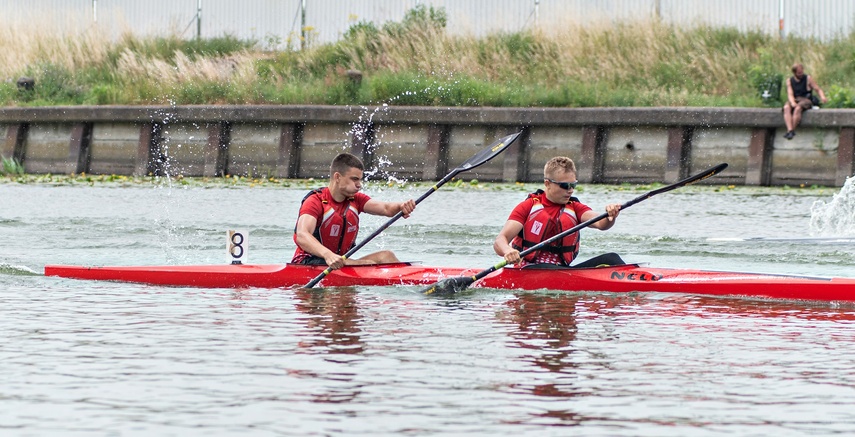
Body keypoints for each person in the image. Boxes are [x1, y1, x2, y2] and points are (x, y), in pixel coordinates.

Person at [292, 152, 416, 269]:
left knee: (386, 256)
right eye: (354, 179)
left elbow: (386, 209)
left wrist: (401, 206)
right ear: (337, 177)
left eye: (360, 180)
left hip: (339, 262)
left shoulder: (356, 200)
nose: (359, 184)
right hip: (308, 263)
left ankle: (415, 280)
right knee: (368, 264)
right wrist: (328, 255)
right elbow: (302, 235)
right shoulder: (316, 201)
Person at [494, 156, 622, 268]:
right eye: (565, 186)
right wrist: (508, 251)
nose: (571, 190)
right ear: (547, 183)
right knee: (545, 267)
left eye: (573, 185)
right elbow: (500, 240)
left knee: (612, 259)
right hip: (529, 268)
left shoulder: (575, 208)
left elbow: (601, 223)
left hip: (561, 270)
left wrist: (610, 215)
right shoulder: (528, 206)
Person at [783, 63, 827, 140]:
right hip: (795, 98)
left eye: (802, 71)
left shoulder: (808, 78)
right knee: (786, 107)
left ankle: (791, 131)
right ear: (794, 73)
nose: (801, 74)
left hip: (806, 99)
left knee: (798, 109)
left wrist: (822, 97)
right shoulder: (789, 81)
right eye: (799, 73)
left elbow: (818, 89)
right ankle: (790, 130)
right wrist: (792, 102)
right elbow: (790, 94)